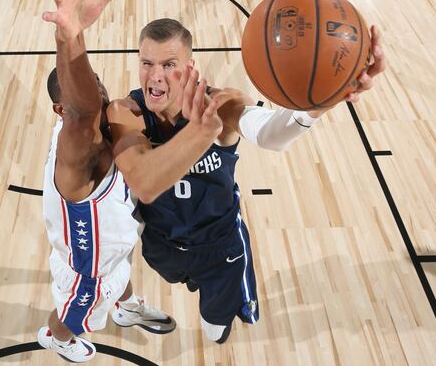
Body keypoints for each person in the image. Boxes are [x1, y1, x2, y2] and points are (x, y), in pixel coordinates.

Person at [107, 18, 386, 343]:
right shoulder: (126, 111)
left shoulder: (220, 103)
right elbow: (143, 181)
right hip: (161, 245)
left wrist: (319, 104)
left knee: (215, 331)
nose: (155, 76)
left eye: (169, 64)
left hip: (220, 248)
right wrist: (200, 134)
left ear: (190, 67)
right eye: (147, 63)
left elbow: (271, 135)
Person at [37, 0, 175, 363]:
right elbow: (83, 111)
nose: (98, 89)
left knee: (122, 263)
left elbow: (89, 104)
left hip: (110, 245)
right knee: (76, 311)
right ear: (61, 110)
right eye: (87, 85)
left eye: (96, 79)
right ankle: (57, 337)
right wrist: (70, 39)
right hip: (87, 267)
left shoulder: (99, 124)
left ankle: (125, 306)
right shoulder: (79, 144)